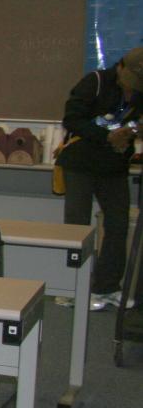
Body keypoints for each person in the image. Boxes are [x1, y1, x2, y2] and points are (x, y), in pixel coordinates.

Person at [58, 47, 143, 310]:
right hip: (81, 163)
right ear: (119, 68)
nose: (131, 91)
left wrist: (133, 131)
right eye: (129, 84)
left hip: (114, 167)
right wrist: (106, 136)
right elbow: (71, 119)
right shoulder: (94, 82)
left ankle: (106, 288)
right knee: (78, 229)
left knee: (117, 226)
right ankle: (74, 289)